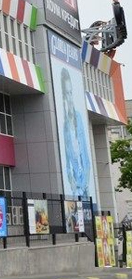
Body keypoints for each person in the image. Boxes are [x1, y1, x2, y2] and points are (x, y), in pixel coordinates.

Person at [61, 69, 91, 198]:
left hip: (85, 182)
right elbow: (67, 161)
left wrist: (85, 182)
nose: (70, 97)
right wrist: (72, 181)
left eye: (71, 92)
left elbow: (85, 154)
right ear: (64, 97)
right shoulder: (65, 126)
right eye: (67, 94)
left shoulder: (78, 117)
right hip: (75, 187)